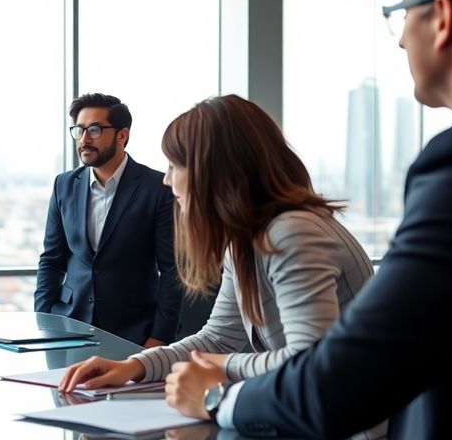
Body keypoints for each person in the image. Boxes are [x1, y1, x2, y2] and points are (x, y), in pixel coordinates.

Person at [181, 0, 452, 438]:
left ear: (442, 18)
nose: (400, 38)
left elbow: (342, 380)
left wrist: (216, 397)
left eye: (403, 12)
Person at [59, 97, 374, 403]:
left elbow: (307, 362)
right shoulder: (245, 240)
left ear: (213, 170)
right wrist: (135, 366)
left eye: (175, 166)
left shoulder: (291, 233)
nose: (167, 181)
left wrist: (221, 366)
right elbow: (219, 338)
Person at [34, 93, 182, 347]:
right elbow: (51, 261)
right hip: (68, 328)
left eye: (94, 129)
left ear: (122, 135)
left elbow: (172, 270)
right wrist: (43, 319)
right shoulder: (64, 185)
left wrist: (159, 337)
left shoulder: (157, 188)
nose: (84, 139)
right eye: (79, 130)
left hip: (134, 331)